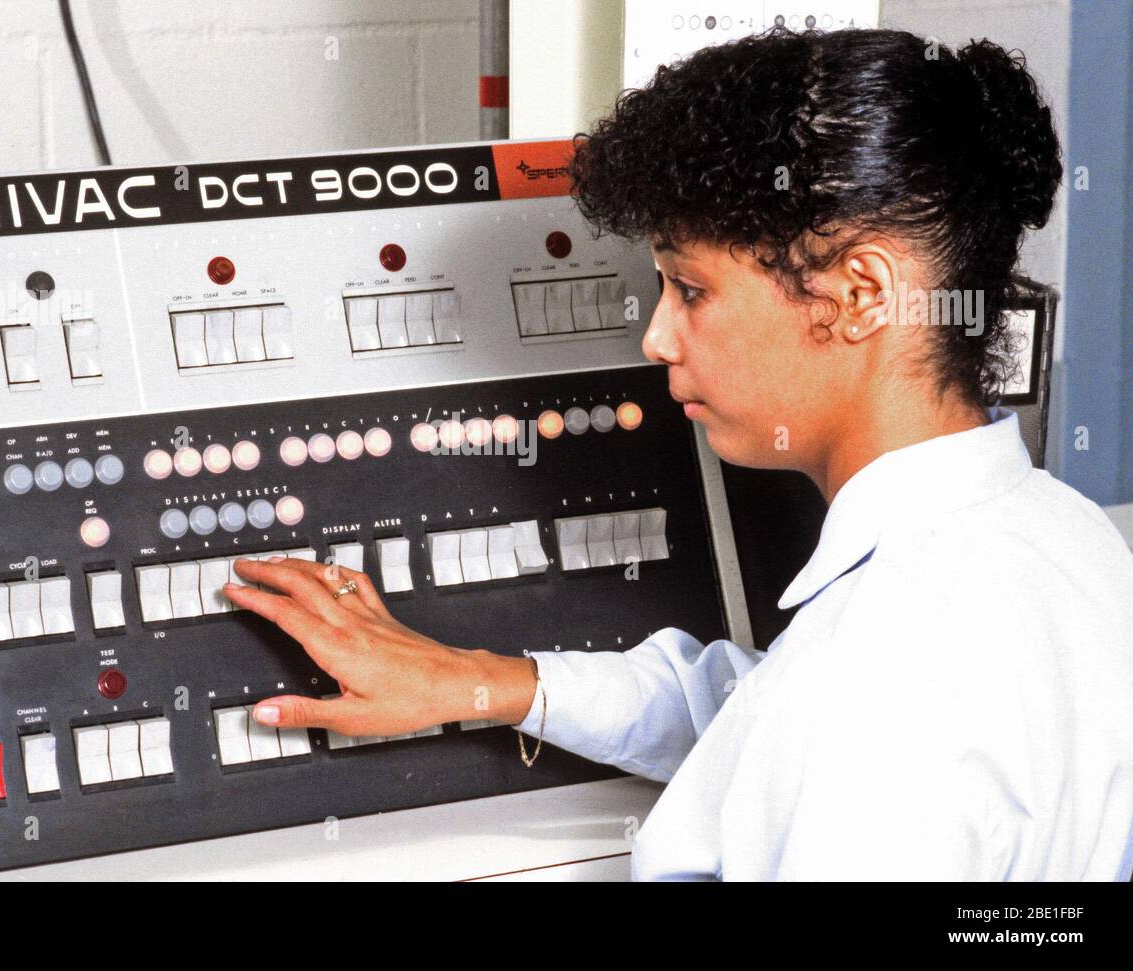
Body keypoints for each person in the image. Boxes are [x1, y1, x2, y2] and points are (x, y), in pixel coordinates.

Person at [223, 27, 1133, 880]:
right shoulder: (1069, 541)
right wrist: (481, 682)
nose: (657, 337)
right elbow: (761, 715)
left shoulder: (874, 680)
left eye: (690, 288)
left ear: (859, 294)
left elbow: (837, 724)